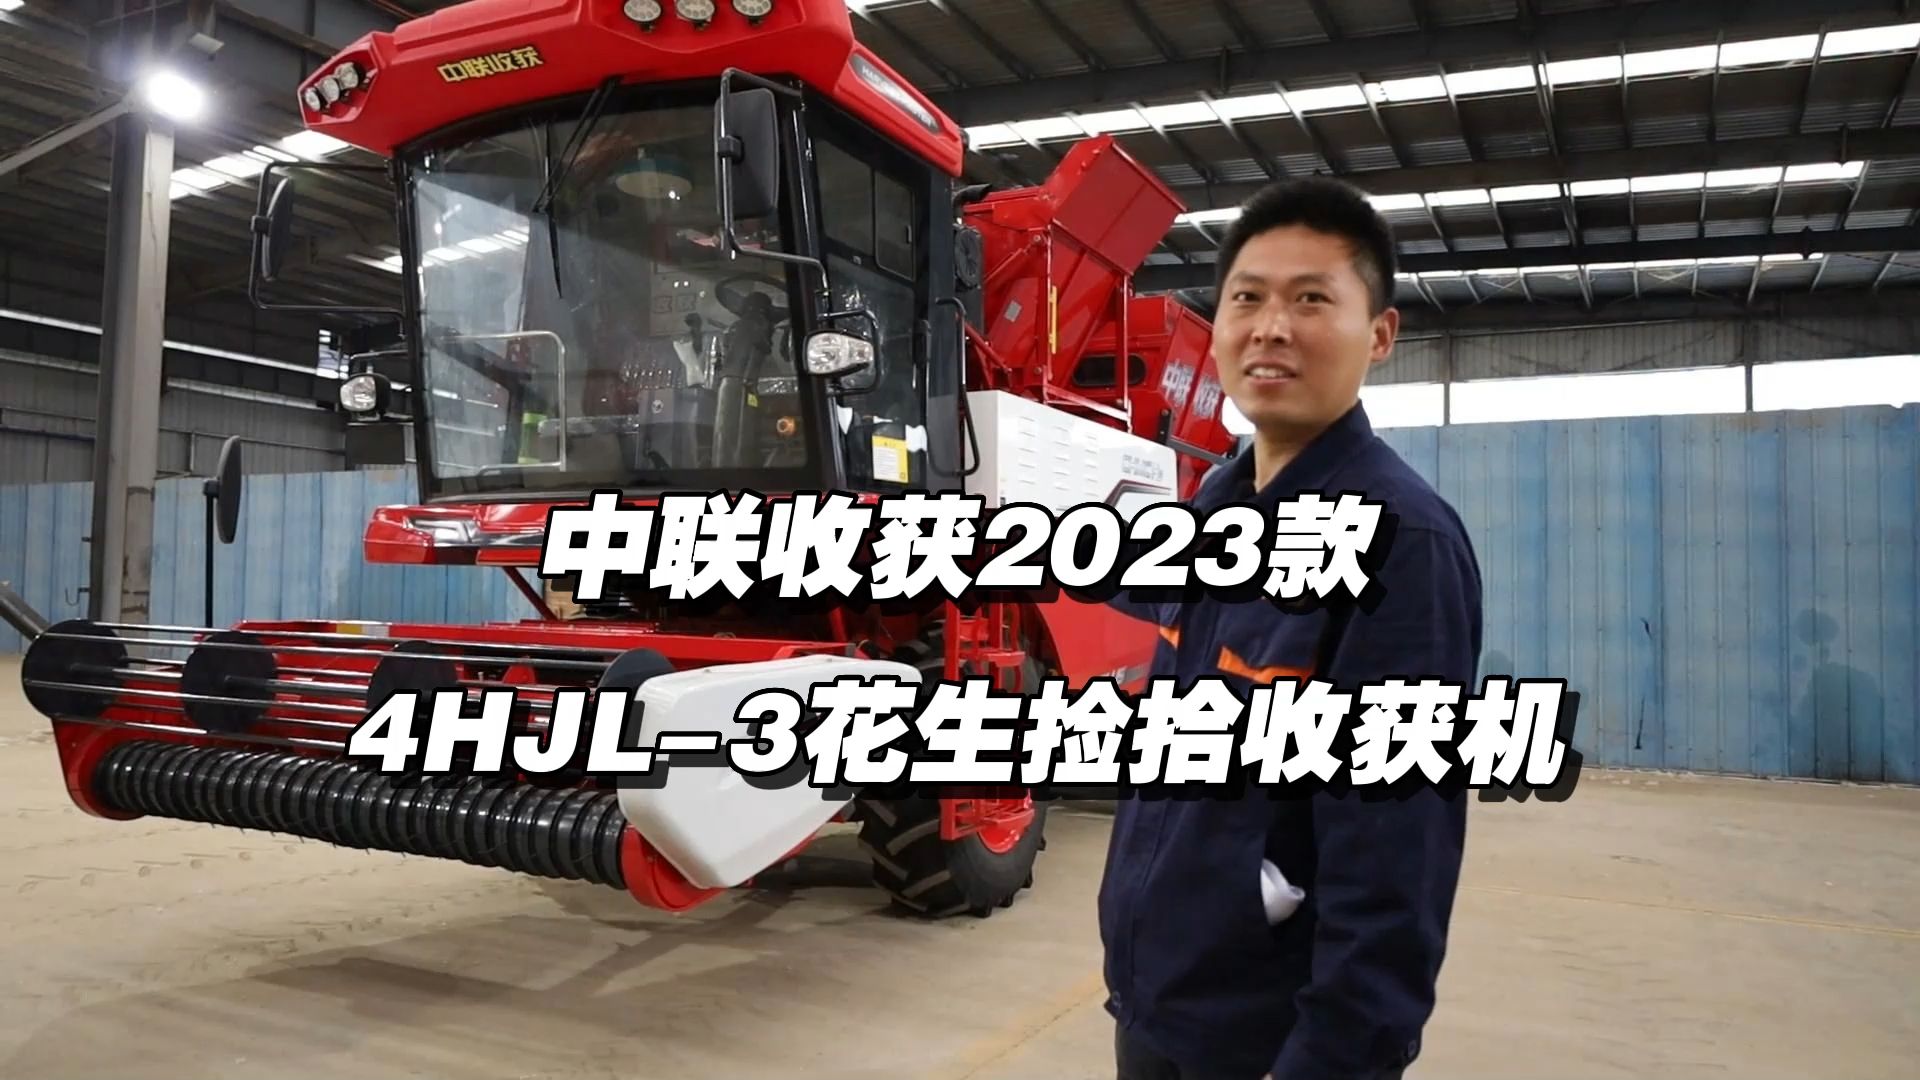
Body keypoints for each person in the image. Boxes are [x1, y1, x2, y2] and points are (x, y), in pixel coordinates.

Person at [1097, 176, 1483, 1080]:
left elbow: (1397, 860)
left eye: (1311, 300)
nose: (1271, 328)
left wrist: (1335, 1057)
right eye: (1247, 299)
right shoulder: (1214, 514)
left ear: (1379, 334)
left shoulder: (1399, 543)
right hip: (1156, 1006)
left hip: (1268, 1041)